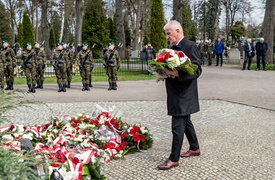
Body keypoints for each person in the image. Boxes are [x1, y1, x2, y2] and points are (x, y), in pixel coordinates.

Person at [157, 20, 202, 170]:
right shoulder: (172, 48)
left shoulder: (190, 46)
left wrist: (176, 73)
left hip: (184, 94)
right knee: (186, 122)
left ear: (177, 31)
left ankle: (173, 158)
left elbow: (196, 71)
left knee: (177, 126)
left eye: (168, 33)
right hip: (176, 91)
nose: (167, 36)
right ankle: (195, 148)